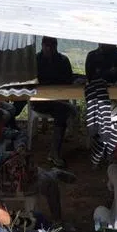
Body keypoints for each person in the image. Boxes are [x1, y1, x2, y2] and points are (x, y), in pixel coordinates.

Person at [0, 107, 77, 232]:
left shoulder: (3, 133)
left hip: (21, 174)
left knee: (44, 178)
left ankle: (58, 220)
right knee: (50, 182)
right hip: (3, 185)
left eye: (2, 127)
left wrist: (20, 146)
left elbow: (21, 134)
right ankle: (54, 175)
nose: (1, 131)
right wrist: (9, 155)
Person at [32, 37, 80, 167]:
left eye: (52, 46)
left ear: (56, 46)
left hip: (59, 101)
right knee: (64, 110)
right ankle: (54, 153)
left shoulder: (63, 61)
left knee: (62, 111)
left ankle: (55, 151)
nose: (49, 49)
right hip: (40, 101)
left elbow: (68, 81)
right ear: (42, 46)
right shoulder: (35, 60)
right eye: (46, 46)